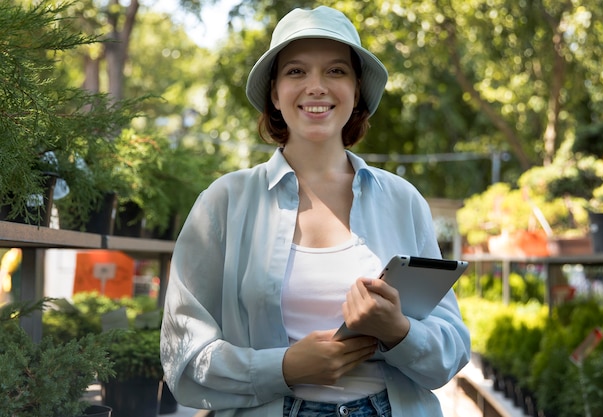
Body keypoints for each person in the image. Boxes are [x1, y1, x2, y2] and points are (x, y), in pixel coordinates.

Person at [160, 6, 470, 417]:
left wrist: (399, 332)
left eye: (336, 71)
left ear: (357, 90)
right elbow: (182, 357)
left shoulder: (402, 199)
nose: (316, 87)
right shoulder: (223, 203)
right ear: (274, 92)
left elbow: (453, 349)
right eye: (296, 72)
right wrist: (284, 367)